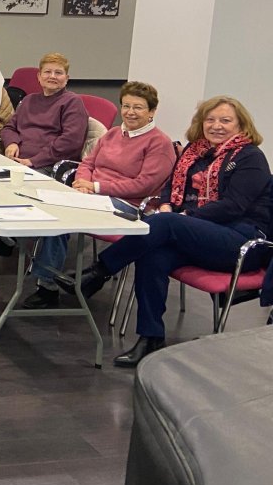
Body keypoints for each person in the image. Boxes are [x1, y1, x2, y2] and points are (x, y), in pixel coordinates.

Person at [59, 96, 270, 366]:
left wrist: (184, 216)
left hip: (241, 242)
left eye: (226, 120)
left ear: (241, 125)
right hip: (199, 234)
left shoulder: (250, 157)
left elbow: (233, 206)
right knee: (153, 254)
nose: (217, 126)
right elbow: (172, 186)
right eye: (210, 119)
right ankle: (151, 337)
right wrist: (170, 204)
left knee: (164, 223)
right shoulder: (196, 152)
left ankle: (100, 270)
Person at [16, 82, 176, 309]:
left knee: (64, 214)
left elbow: (143, 185)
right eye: (126, 106)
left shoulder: (159, 143)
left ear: (152, 112)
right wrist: (83, 184)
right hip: (92, 194)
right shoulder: (112, 134)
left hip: (128, 205)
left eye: (138, 107)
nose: (130, 112)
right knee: (52, 209)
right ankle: (46, 280)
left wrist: (97, 187)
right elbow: (88, 163)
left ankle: (46, 286)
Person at [0, 53, 88, 265]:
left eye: (58, 73)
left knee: (9, 187)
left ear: (67, 78)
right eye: (48, 72)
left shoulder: (72, 103)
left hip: (47, 165)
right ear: (39, 77)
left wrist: (33, 161)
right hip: (17, 160)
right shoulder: (30, 100)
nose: (53, 76)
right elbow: (10, 127)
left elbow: (70, 142)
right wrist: (12, 143)